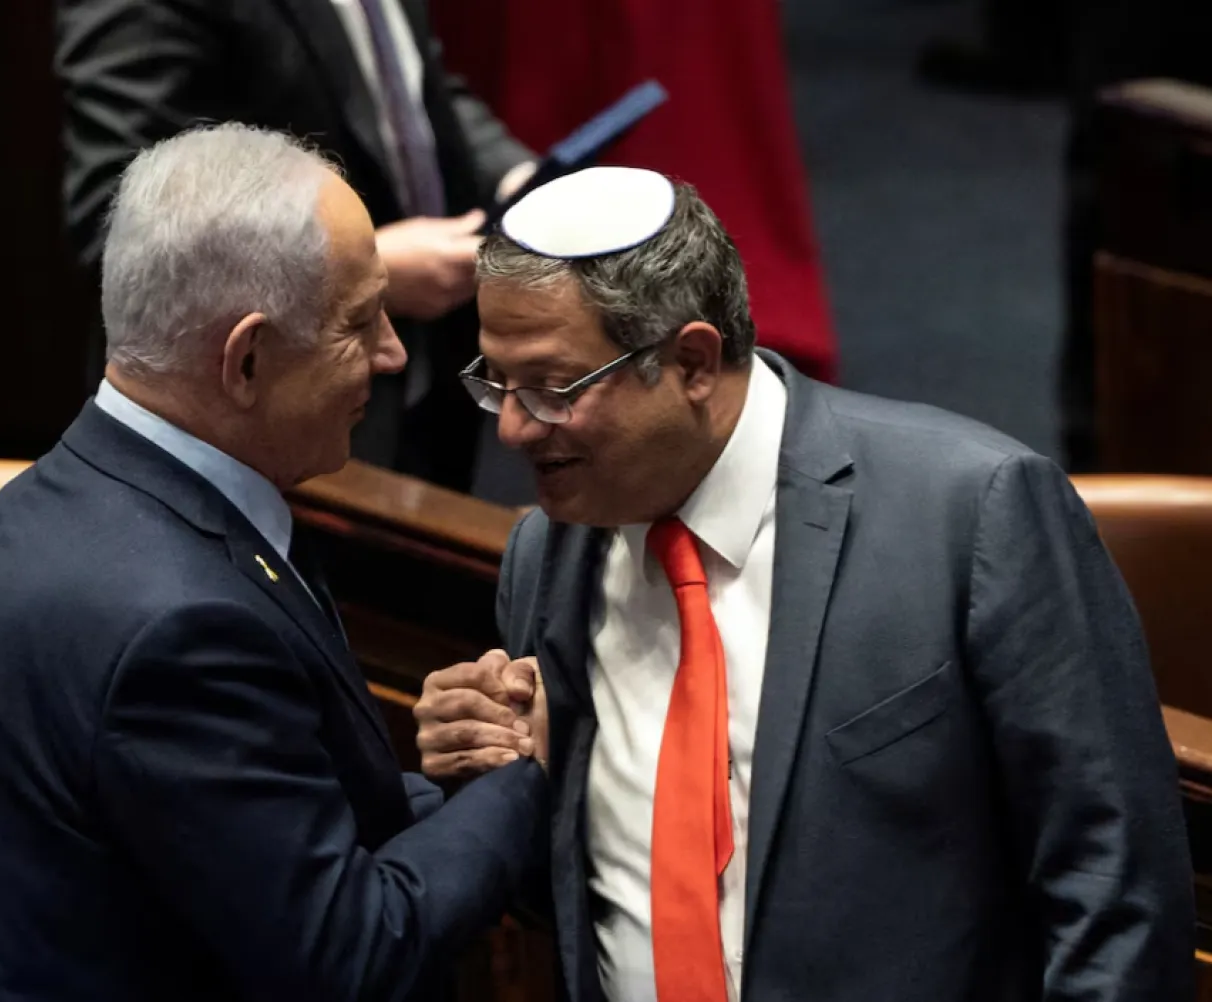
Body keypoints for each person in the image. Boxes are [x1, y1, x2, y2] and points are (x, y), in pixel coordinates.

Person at [413, 167, 1194, 1002]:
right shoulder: (546, 553)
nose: (512, 427)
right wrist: (488, 784)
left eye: (551, 387)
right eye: (494, 381)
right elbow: (585, 895)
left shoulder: (970, 514)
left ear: (692, 362)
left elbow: (1115, 892)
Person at [0, 124, 548, 1002]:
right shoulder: (175, 628)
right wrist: (535, 772)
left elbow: (264, 832)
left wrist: (466, 786)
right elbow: (354, 956)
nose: (393, 355)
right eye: (360, 323)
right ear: (247, 360)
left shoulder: (59, 499)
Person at [54, 0, 537, 492]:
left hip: (427, 400)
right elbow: (120, 226)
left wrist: (518, 179)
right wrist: (368, 272)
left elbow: (414, 93)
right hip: (257, 442)